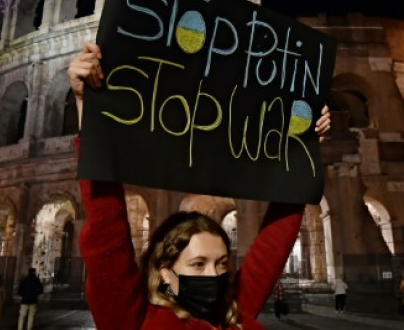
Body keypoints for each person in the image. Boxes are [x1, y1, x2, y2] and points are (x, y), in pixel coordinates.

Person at [69, 42, 331, 330]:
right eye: (198, 264)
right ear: (165, 273)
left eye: (221, 264)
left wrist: (303, 150)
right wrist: (88, 108)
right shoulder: (134, 320)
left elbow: (273, 245)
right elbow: (107, 231)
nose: (214, 276)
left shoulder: (232, 312)